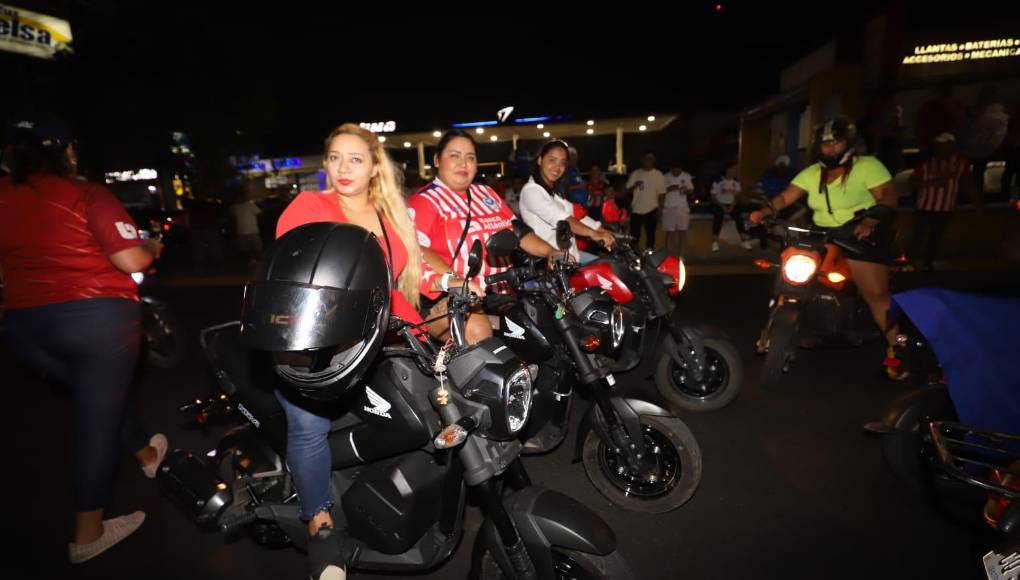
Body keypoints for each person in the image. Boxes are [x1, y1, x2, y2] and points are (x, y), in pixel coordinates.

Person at [273, 123, 440, 580]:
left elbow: (388, 293)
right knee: (308, 426)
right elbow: (293, 274)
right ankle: (320, 524)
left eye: (355, 159)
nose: (343, 168)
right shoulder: (311, 206)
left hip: (368, 343)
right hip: (314, 339)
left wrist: (428, 336)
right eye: (334, 157)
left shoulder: (389, 218)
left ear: (373, 167)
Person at [0, 114, 167, 564]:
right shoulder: (86, 191)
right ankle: (87, 533)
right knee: (96, 418)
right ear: (66, 151)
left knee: (101, 399)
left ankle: (149, 455)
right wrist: (153, 246)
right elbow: (130, 255)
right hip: (96, 320)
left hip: (23, 328)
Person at [750, 116, 907, 380]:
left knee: (875, 294)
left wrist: (870, 220)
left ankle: (897, 347)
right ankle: (774, 328)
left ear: (848, 143)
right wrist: (765, 210)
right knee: (791, 274)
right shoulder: (813, 173)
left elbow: (888, 196)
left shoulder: (867, 166)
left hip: (860, 234)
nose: (830, 148)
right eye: (825, 144)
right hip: (823, 235)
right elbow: (787, 196)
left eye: (836, 142)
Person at [408, 130, 564, 344]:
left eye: (470, 157)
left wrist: (550, 252)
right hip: (455, 297)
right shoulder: (424, 201)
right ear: (437, 160)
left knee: (546, 325)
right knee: (480, 333)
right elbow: (415, 250)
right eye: (454, 155)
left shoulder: (485, 193)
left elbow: (517, 231)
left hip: (502, 292)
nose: (463, 163)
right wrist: (456, 281)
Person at [519, 140, 614, 262]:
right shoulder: (531, 191)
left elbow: (577, 215)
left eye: (562, 163)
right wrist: (592, 234)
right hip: (550, 265)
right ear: (540, 160)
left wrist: (602, 230)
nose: (558, 167)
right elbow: (562, 219)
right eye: (552, 160)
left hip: (571, 257)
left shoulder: (554, 193)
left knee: (608, 268)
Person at [908, 132, 977, 271]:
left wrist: (977, 203)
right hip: (925, 207)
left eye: (943, 146)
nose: (940, 149)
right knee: (918, 237)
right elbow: (912, 183)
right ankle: (910, 262)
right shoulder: (926, 164)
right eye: (938, 146)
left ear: (951, 146)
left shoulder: (961, 163)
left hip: (946, 208)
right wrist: (933, 183)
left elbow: (968, 183)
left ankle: (928, 263)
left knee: (935, 237)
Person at [625, 152, 666, 249]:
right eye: (646, 158)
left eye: (650, 159)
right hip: (637, 209)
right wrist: (635, 185)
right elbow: (627, 189)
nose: (648, 161)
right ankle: (633, 257)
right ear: (642, 160)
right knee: (634, 236)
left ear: (654, 160)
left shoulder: (658, 174)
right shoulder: (636, 173)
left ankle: (649, 256)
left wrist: (660, 210)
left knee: (651, 236)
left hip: (652, 209)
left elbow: (662, 194)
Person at [709, 164, 753, 251]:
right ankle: (715, 242)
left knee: (739, 218)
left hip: (731, 204)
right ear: (727, 171)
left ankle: (744, 241)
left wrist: (732, 206)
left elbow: (737, 196)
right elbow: (713, 197)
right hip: (718, 204)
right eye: (733, 170)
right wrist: (722, 206)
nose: (734, 171)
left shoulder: (736, 182)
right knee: (718, 217)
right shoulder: (718, 181)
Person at [662, 164, 694, 257]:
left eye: (678, 169)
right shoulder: (665, 176)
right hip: (668, 207)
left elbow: (691, 190)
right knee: (669, 233)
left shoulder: (686, 176)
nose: (676, 171)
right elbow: (660, 191)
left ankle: (681, 256)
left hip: (682, 207)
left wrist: (685, 190)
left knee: (682, 232)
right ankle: (668, 256)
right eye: (674, 169)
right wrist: (670, 188)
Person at [229, 186, 263, 265]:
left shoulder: (250, 205)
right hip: (241, 232)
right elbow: (232, 219)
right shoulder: (234, 207)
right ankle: (251, 261)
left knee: (257, 248)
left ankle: (259, 261)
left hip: (252, 231)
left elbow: (260, 214)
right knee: (245, 249)